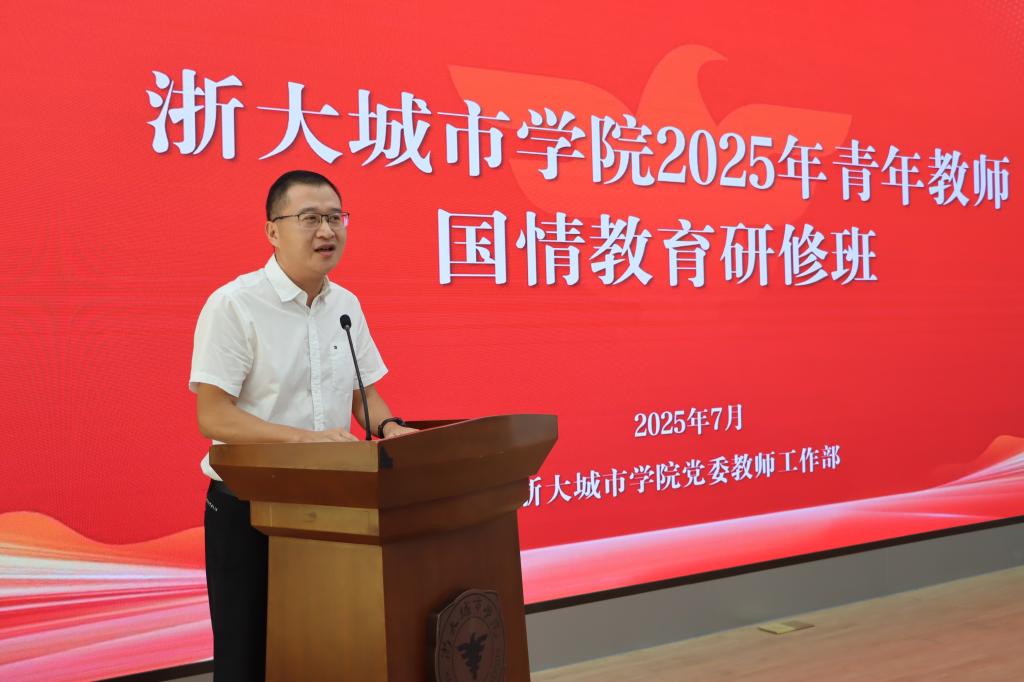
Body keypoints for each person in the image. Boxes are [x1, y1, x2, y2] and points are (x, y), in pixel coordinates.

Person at [189, 170, 416, 680]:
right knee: (248, 659)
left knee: (322, 649)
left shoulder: (346, 305)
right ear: (273, 230)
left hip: (329, 507)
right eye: (310, 218)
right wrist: (308, 441)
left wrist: (389, 428)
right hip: (249, 507)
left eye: (336, 218)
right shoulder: (234, 305)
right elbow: (214, 415)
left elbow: (363, 395)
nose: (327, 231)